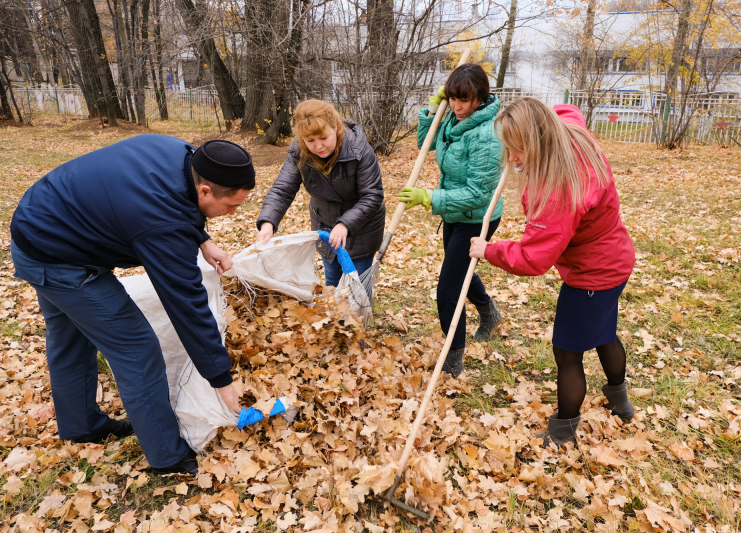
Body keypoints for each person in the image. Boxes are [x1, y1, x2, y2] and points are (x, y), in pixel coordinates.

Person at [10, 135, 255, 475]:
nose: (231, 214)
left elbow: (180, 204)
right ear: (205, 191)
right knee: (137, 349)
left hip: (39, 224)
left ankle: (82, 427)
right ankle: (168, 457)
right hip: (59, 258)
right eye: (231, 206)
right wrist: (221, 380)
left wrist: (203, 239)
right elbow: (187, 305)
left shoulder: (186, 155)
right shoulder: (161, 222)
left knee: (71, 337)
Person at [469, 97, 636, 448]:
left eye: (519, 149)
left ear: (540, 140)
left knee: (567, 354)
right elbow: (563, 108)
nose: (513, 158)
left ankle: (563, 430)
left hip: (593, 275)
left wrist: (489, 250)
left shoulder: (560, 189)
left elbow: (534, 257)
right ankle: (620, 403)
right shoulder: (566, 130)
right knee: (605, 333)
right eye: (509, 148)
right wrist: (522, 129)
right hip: (616, 260)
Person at [398, 63, 504, 377]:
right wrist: (432, 110)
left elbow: (478, 195)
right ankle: (489, 311)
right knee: (460, 272)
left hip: (477, 217)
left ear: (480, 98)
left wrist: (430, 198)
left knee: (448, 289)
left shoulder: (488, 135)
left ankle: (454, 356)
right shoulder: (453, 118)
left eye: (465, 100)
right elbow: (425, 143)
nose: (457, 106)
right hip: (454, 212)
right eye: (453, 98)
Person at [256, 99, 385, 291]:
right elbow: (283, 189)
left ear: (335, 127)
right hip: (325, 224)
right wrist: (268, 222)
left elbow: (372, 195)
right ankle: (334, 318)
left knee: (357, 284)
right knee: (332, 278)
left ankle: (358, 319)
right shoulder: (299, 152)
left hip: (361, 227)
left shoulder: (358, 149)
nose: (318, 146)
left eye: (323, 138)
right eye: (311, 141)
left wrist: (345, 224)